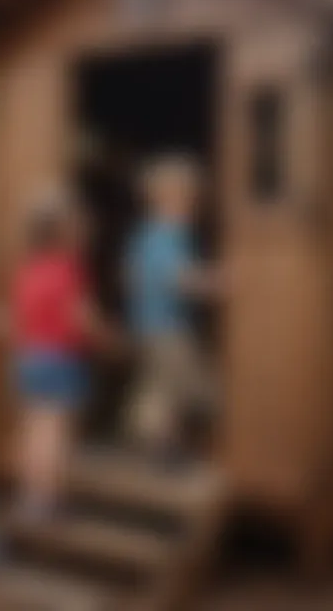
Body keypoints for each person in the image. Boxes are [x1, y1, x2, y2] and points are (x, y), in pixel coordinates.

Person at [13, 191, 114, 522]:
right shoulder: (70, 269)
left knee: (34, 429)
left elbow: (24, 315)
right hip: (60, 359)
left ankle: (32, 497)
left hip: (29, 357)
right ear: (63, 233)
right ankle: (48, 500)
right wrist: (106, 338)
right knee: (54, 433)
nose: (86, 232)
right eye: (80, 227)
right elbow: (81, 317)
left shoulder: (30, 268)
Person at [125, 156, 219, 465]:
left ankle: (147, 440)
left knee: (159, 385)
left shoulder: (148, 235)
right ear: (166, 199)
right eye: (190, 198)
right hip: (167, 326)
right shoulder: (167, 235)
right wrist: (217, 282)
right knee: (193, 387)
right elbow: (180, 280)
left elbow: (135, 276)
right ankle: (162, 446)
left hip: (149, 323)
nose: (195, 206)